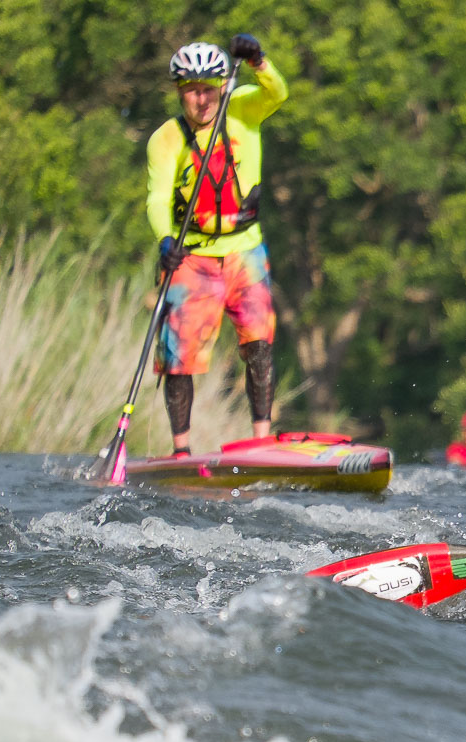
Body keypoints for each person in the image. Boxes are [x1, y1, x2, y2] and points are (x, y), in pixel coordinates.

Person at [147, 35, 288, 456]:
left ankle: (261, 441)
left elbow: (278, 92)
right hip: (191, 256)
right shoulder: (166, 138)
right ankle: (181, 451)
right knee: (179, 358)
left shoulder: (244, 108)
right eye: (192, 90)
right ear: (180, 92)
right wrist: (165, 240)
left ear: (224, 85)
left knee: (259, 344)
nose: (202, 99)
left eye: (209, 87)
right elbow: (156, 197)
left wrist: (260, 61)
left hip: (245, 249)